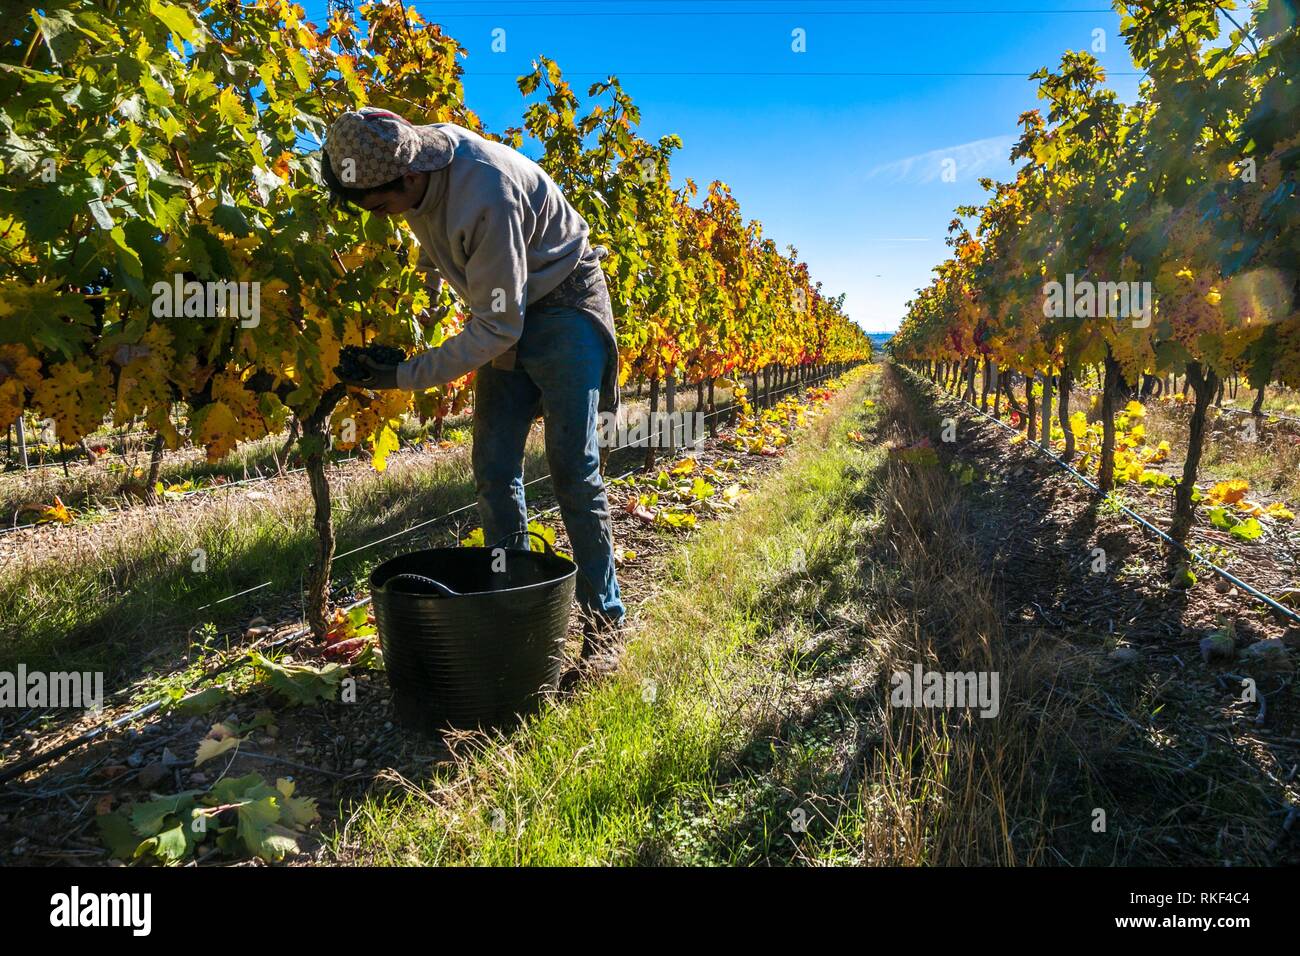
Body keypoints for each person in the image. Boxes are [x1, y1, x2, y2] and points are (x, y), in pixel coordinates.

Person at [322, 107, 625, 660]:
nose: (388, 216)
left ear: (410, 175)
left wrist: (402, 376)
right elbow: (439, 248)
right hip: (508, 307)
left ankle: (603, 623)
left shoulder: (485, 192)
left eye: (385, 205)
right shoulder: (415, 169)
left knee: (572, 469)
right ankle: (518, 606)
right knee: (493, 467)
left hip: (564, 306)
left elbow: (496, 326)